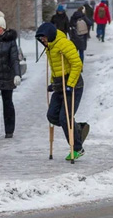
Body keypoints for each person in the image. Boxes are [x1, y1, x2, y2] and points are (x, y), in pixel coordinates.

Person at [35, 22, 89, 160]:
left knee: (65, 118)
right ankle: (77, 129)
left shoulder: (64, 44)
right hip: (60, 86)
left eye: (44, 38)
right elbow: (55, 68)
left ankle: (77, 148)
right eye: (41, 39)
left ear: (50, 35)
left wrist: (70, 84)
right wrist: (53, 84)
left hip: (74, 86)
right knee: (52, 116)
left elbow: (77, 64)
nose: (43, 41)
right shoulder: (50, 47)